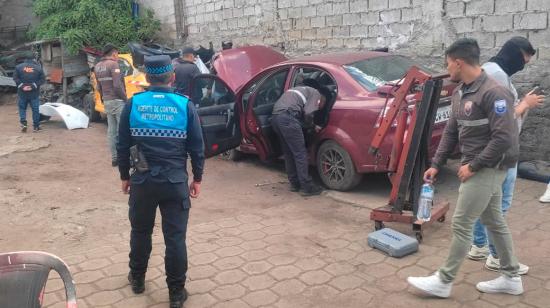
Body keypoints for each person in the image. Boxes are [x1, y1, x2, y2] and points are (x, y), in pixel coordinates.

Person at [407, 38, 523, 297]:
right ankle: (511, 277)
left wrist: (474, 166)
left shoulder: (494, 92)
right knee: (494, 221)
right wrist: (436, 164)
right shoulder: (461, 91)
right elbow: (451, 131)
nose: (447, 69)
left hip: (488, 167)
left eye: (448, 64)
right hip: (477, 166)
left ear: (459, 63)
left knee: (461, 223)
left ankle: (444, 281)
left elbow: (504, 137)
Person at [116, 55, 204, 308]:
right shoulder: (184, 105)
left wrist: (124, 176)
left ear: (146, 77)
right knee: (175, 238)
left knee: (140, 231)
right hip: (175, 182)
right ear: (172, 77)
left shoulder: (133, 105)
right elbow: (197, 147)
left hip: (142, 181)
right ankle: (176, 293)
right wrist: (197, 178)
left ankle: (138, 279)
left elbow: (122, 145)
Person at [468, 37, 544, 274]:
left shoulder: (491, 70)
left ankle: (479, 246)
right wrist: (525, 104)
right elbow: (502, 121)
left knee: (488, 202)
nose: (524, 65)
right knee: (499, 205)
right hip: (501, 152)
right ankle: (496, 256)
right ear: (514, 54)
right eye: (523, 60)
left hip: (491, 150)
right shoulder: (498, 76)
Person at [271, 85, 327, 196]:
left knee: (288, 153)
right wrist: (311, 125)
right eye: (320, 107)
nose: (318, 109)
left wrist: (311, 125)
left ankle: (294, 184)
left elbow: (299, 113)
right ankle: (307, 187)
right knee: (300, 154)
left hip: (275, 119)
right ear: (320, 101)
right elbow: (308, 113)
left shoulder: (300, 89)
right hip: (288, 119)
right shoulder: (316, 93)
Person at [95, 44, 127, 167]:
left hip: (107, 101)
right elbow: (117, 85)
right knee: (123, 130)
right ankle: (124, 158)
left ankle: (115, 158)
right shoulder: (113, 64)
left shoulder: (97, 66)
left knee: (111, 131)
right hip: (117, 101)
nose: (117, 56)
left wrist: (103, 99)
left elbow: (99, 86)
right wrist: (125, 99)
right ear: (114, 54)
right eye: (117, 54)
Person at [13, 55, 45, 133]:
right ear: (33, 59)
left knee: (22, 108)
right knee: (35, 110)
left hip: (22, 93)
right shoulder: (38, 68)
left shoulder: (18, 67)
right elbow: (42, 79)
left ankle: (23, 123)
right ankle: (36, 127)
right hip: (34, 93)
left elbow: (15, 78)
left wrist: (22, 86)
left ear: (25, 59)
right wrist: (33, 86)